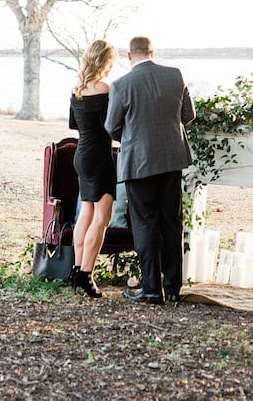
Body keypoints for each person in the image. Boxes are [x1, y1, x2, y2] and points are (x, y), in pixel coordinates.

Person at [105, 35, 195, 304]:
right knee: (171, 223)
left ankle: (152, 289)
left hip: (138, 163)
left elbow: (112, 127)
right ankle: (174, 290)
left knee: (144, 224)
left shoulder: (121, 85)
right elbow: (188, 115)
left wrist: (134, 138)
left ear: (130, 56)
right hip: (170, 160)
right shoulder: (176, 75)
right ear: (152, 52)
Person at [68, 38, 117, 299]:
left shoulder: (77, 88)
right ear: (104, 61)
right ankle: (87, 274)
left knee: (86, 212)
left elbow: (74, 124)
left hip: (81, 154)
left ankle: (77, 269)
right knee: (103, 217)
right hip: (99, 156)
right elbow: (112, 126)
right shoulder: (105, 89)